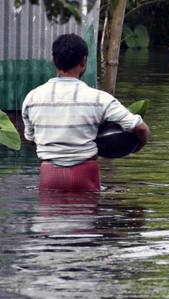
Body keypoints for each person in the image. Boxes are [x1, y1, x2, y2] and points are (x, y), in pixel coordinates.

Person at [21, 33, 151, 192]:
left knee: (50, 215)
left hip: (49, 175)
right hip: (85, 174)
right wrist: (136, 146)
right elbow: (141, 128)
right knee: (87, 215)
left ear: (54, 59)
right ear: (83, 61)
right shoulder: (100, 99)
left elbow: (31, 139)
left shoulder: (32, 98)